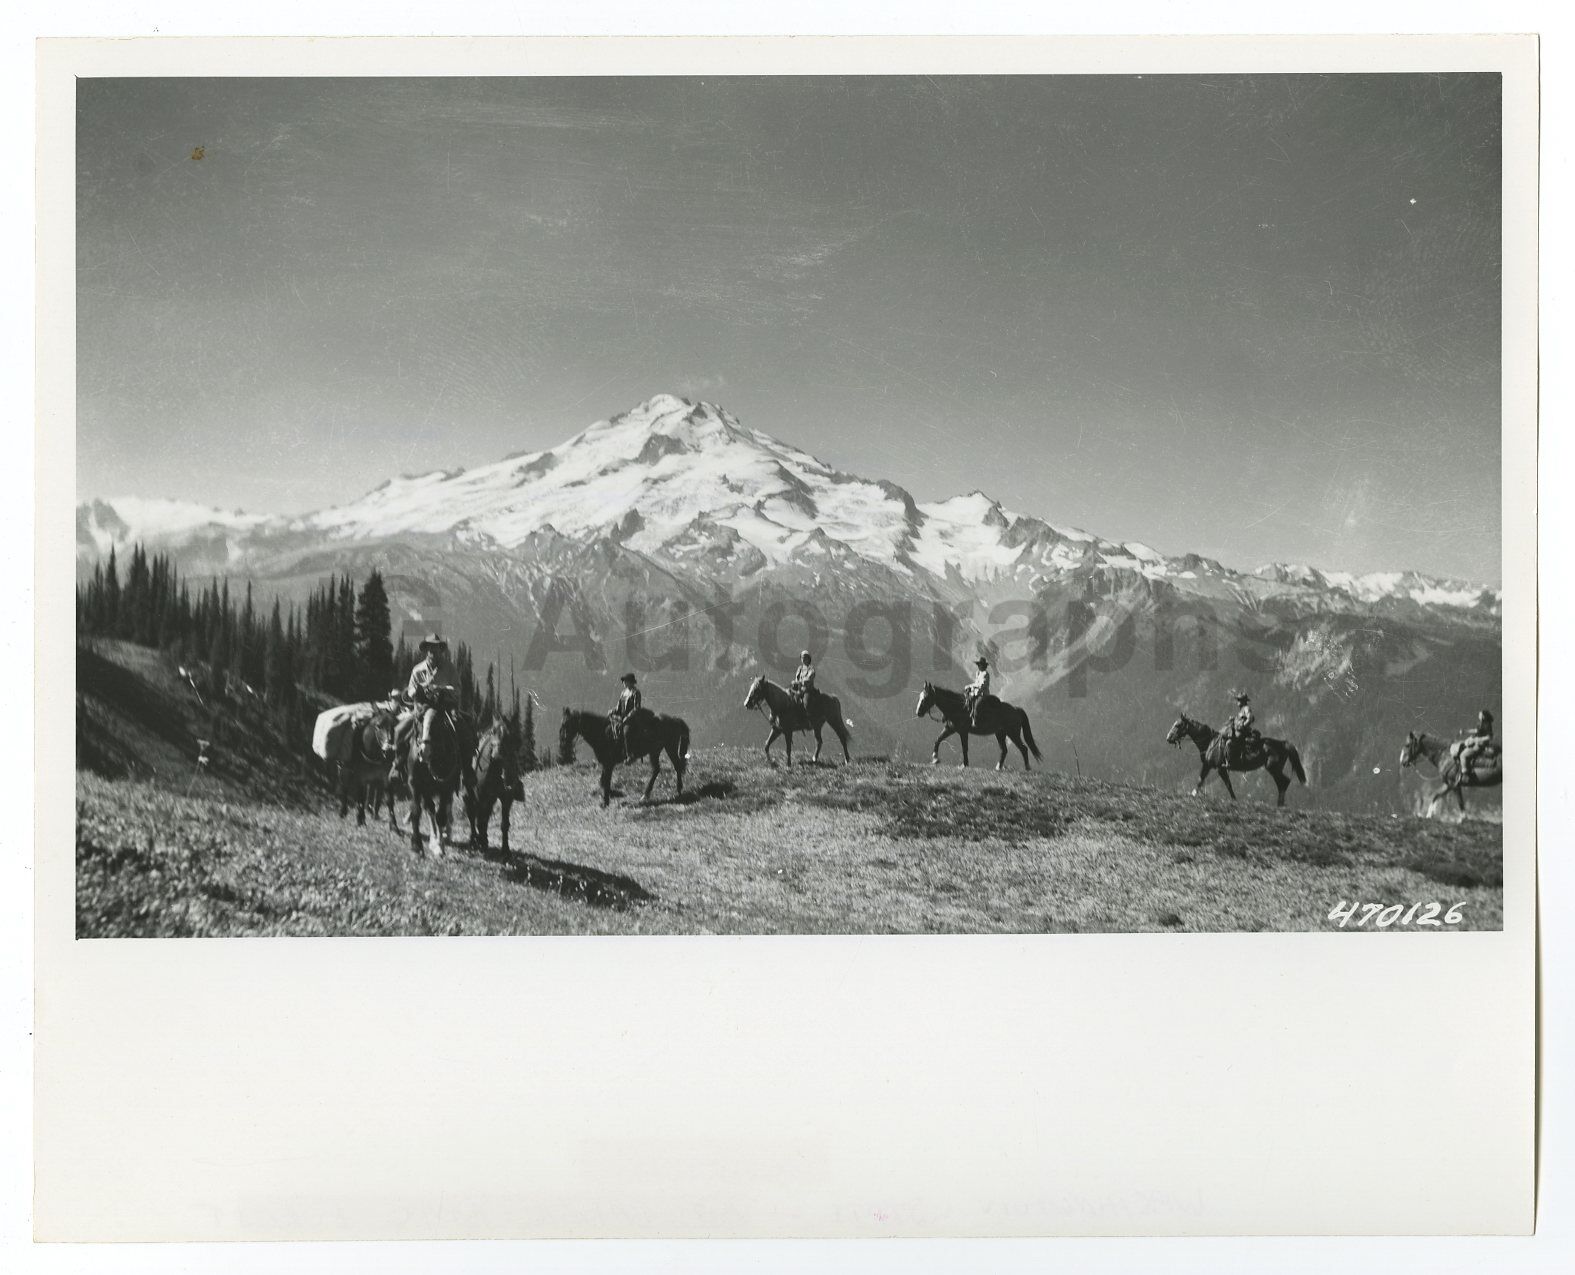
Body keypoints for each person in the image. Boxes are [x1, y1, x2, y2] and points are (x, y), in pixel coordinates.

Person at [389, 635, 455, 783]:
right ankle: (397, 765)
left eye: (436, 648)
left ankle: (468, 771)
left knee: (463, 729)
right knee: (399, 731)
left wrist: (440, 688)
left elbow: (457, 689)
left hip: (442, 708)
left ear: (440, 650)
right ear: (426, 651)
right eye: (430, 648)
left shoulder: (449, 668)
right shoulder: (417, 670)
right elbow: (410, 690)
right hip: (420, 709)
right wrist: (420, 689)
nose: (433, 652)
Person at [1453, 709, 1496, 776]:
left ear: (1483, 716)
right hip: (1475, 742)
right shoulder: (1480, 723)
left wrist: (1477, 739)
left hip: (1479, 745)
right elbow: (1476, 731)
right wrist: (1465, 731)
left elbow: (1489, 737)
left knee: (1463, 755)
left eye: (1480, 714)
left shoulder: (1487, 725)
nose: (1479, 715)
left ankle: (1465, 772)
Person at [1219, 690, 1258, 765]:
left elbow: (1250, 719)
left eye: (1239, 700)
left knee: (1229, 743)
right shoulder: (1242, 710)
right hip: (1238, 730)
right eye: (1237, 700)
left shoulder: (1246, 708)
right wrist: (1233, 720)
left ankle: (1230, 762)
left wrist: (1243, 726)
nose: (1237, 702)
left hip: (1242, 732)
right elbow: (1240, 719)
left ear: (1243, 701)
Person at [610, 672, 642, 759]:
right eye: (623, 681)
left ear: (630, 682)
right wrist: (612, 711)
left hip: (632, 719)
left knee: (626, 732)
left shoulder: (636, 692)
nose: (623, 683)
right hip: (622, 718)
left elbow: (636, 708)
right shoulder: (623, 692)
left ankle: (630, 755)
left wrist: (627, 718)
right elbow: (618, 707)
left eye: (625, 681)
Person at [963, 656, 992, 727]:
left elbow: (982, 685)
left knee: (977, 705)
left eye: (980, 665)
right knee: (967, 699)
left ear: (984, 665)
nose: (979, 666)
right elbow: (976, 683)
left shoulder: (985, 674)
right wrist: (969, 686)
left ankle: (975, 721)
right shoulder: (978, 673)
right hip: (977, 691)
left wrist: (975, 690)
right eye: (978, 665)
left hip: (983, 693)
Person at [790, 650, 817, 720]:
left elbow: (809, 678)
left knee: (806, 703)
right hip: (799, 689)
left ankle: (809, 720)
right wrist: (794, 682)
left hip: (807, 690)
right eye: (802, 657)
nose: (803, 659)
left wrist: (800, 682)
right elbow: (797, 678)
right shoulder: (800, 668)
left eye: (805, 657)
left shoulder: (811, 668)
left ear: (808, 659)